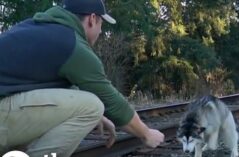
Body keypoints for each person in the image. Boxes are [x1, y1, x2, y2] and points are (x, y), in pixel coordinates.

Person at [0, 0, 164, 156]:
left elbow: (38, 89)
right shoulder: (72, 44)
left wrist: (98, 116)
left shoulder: (38, 28)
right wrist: (146, 134)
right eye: (101, 24)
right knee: (92, 105)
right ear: (92, 19)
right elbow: (111, 101)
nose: (101, 31)